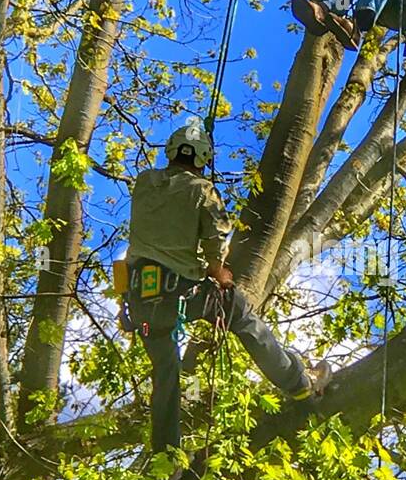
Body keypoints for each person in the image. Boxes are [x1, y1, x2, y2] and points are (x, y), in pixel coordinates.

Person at [124, 118, 331, 453]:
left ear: (171, 151)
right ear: (203, 158)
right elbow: (216, 242)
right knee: (243, 317)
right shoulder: (202, 191)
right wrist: (220, 274)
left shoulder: (144, 183)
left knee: (166, 373)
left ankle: (166, 458)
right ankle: (299, 383)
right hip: (184, 293)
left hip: (142, 299)